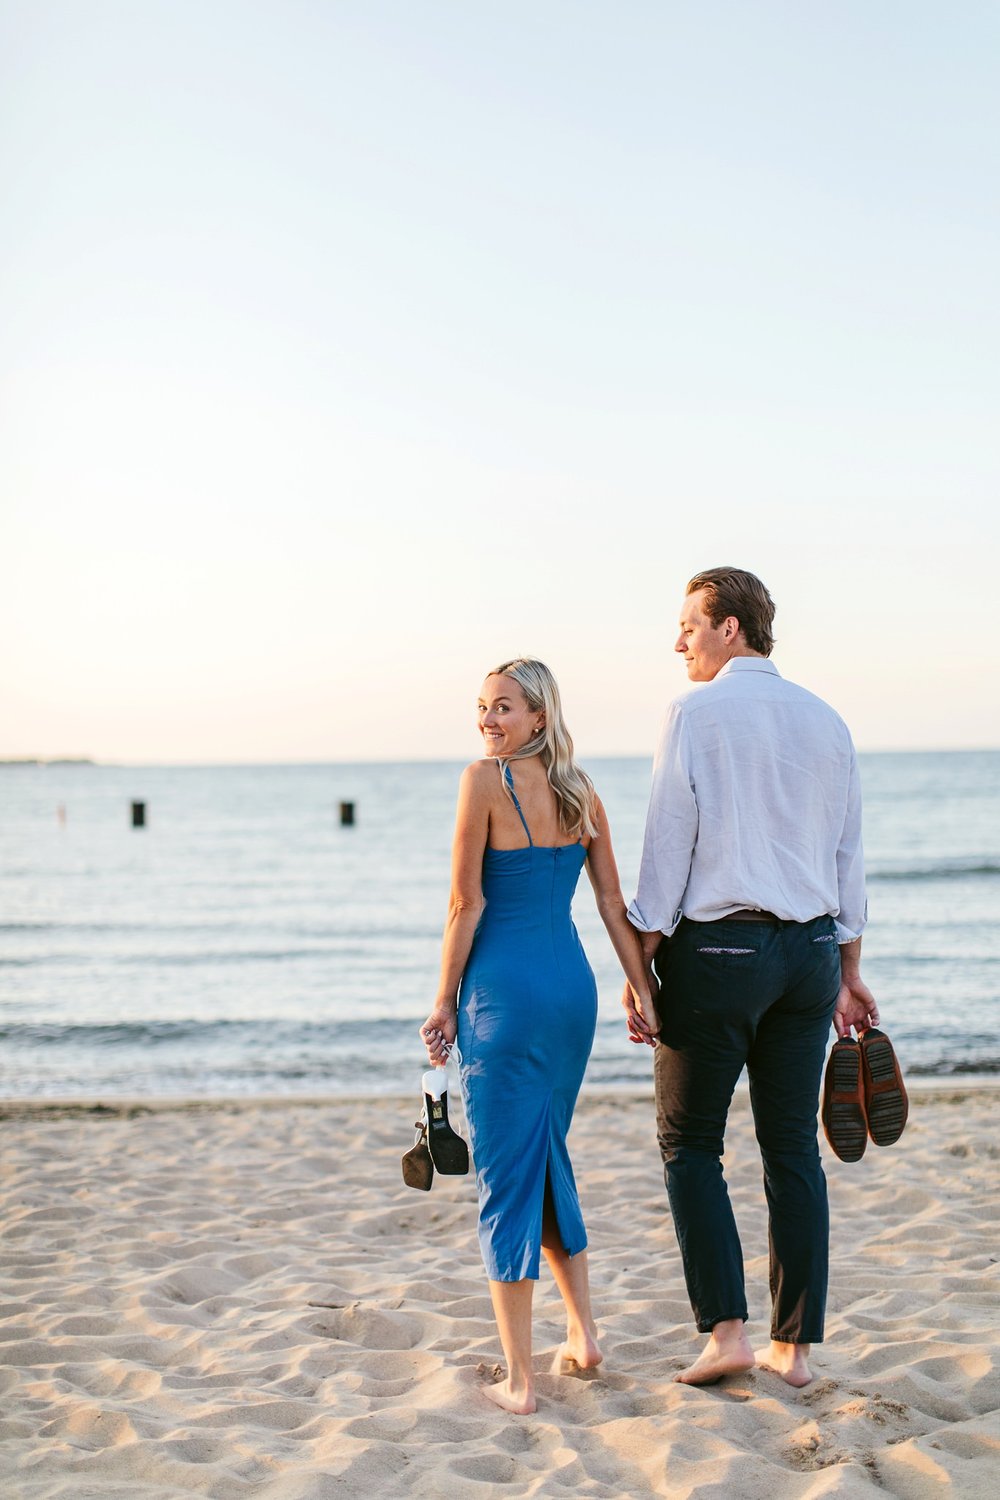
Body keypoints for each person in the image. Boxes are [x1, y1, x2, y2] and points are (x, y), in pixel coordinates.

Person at [624, 567, 879, 1389]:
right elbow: (848, 853)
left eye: (689, 626)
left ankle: (728, 1332)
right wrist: (849, 969)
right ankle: (793, 1350)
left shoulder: (694, 712)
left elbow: (668, 844)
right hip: (808, 957)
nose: (679, 643)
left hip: (719, 956)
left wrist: (640, 968)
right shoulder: (827, 719)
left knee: (691, 1144)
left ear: (730, 628)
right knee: (790, 1148)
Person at [420, 657, 654, 1415]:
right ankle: (583, 1338)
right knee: (547, 1157)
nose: (489, 721)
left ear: (539, 717)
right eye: (483, 708)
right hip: (570, 996)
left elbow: (465, 901)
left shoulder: (482, 781)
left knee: (507, 1183)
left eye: (504, 709)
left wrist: (443, 1001)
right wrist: (644, 989)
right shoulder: (582, 791)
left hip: (507, 998)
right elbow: (615, 905)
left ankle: (520, 1382)